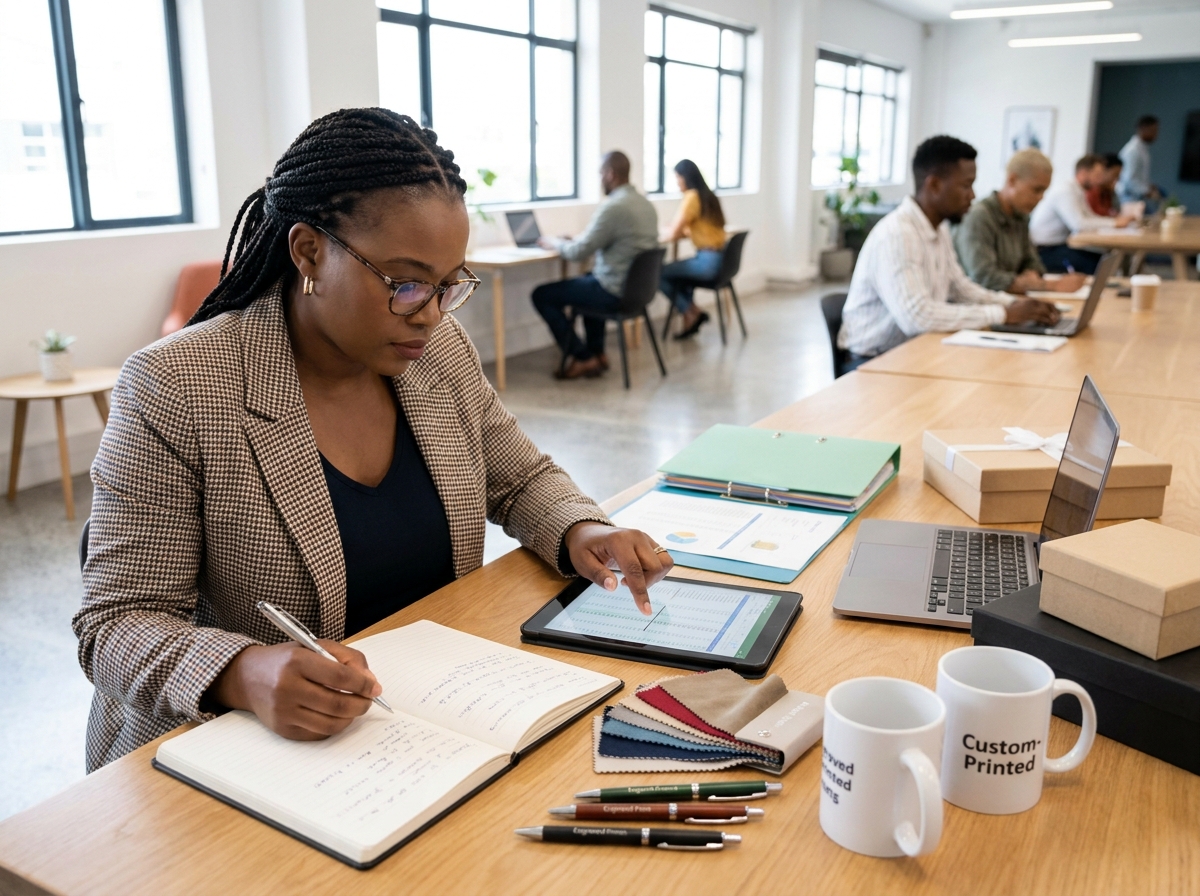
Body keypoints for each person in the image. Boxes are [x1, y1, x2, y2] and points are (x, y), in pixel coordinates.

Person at [73, 109, 672, 771]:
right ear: (308, 252)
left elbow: (521, 479)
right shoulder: (177, 386)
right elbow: (117, 622)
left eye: (449, 285)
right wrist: (243, 671)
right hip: (238, 755)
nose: (431, 313)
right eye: (404, 283)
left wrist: (581, 533)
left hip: (415, 732)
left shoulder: (437, 351)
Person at [838, 135, 1059, 367]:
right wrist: (1002, 314)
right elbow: (918, 316)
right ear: (934, 185)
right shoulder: (898, 234)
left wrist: (1011, 303)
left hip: (917, 350)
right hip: (873, 363)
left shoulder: (938, 229)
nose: (972, 195)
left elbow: (960, 288)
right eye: (966, 185)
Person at [532, 152, 659, 379]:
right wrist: (576, 239)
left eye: (600, 173)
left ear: (610, 174)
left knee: (542, 295)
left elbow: (579, 253)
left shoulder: (613, 207)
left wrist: (555, 242)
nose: (599, 179)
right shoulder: (645, 204)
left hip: (614, 291)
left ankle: (582, 357)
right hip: (638, 293)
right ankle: (598, 353)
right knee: (589, 280)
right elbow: (604, 239)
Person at [954, 148, 1086, 295]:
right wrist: (1048, 286)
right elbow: (983, 277)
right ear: (1012, 180)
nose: (1041, 198)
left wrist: (1032, 275)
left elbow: (1033, 262)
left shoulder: (1020, 216)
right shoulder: (979, 217)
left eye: (1044, 191)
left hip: (1008, 300)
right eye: (1036, 190)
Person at [1029, 154, 1135, 274]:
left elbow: (1089, 217)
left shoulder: (1078, 191)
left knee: (1101, 257)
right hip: (1045, 251)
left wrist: (1115, 222)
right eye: (1097, 175)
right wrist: (1114, 223)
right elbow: (1078, 224)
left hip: (1060, 246)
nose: (1100, 180)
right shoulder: (1065, 191)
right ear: (1083, 173)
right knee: (1094, 263)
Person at [659, 159, 727, 339]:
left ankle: (690, 311)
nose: (677, 183)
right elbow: (704, 227)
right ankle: (692, 315)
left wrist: (666, 233)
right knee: (680, 276)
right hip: (722, 261)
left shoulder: (691, 197)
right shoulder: (708, 196)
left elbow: (674, 232)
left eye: (677, 178)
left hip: (707, 263)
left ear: (685, 178)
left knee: (659, 273)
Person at [1118, 115, 1161, 207]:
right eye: (1153, 131)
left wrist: (1148, 186)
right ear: (1143, 128)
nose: (1156, 135)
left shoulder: (1143, 149)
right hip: (1128, 199)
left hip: (1137, 198)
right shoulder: (1132, 150)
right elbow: (1128, 179)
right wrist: (1146, 191)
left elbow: (1139, 176)